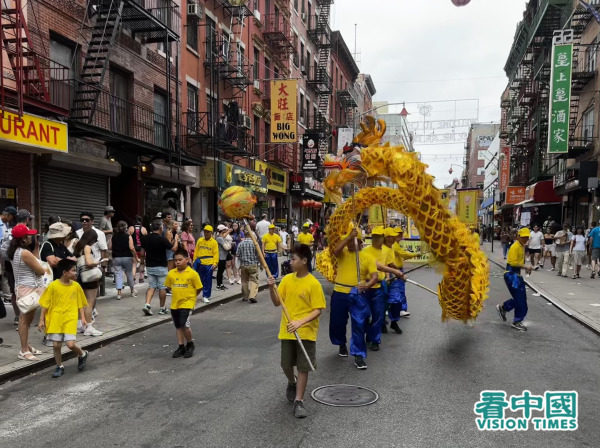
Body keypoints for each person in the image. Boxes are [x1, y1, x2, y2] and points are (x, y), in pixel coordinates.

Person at [267, 244, 326, 419]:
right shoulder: (286, 280)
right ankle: (291, 382)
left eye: (293, 259)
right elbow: (277, 302)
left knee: (302, 366)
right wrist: (272, 288)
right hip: (287, 330)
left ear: (304, 261)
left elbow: (318, 310)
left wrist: (300, 322)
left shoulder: (313, 284)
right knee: (286, 364)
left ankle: (299, 401)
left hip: (306, 331)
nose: (290, 262)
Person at [330, 226, 378, 369]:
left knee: (359, 324)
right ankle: (340, 343)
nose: (351, 244)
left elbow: (374, 276)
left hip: (357, 293)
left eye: (354, 241)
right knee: (337, 322)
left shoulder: (367, 257)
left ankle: (359, 355)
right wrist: (348, 237)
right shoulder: (342, 253)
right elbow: (335, 250)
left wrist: (367, 285)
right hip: (339, 291)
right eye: (350, 241)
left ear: (360, 243)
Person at [37, 259, 89, 378]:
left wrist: (83, 319)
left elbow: (81, 304)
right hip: (56, 318)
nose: (76, 273)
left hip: (70, 318)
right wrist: (41, 320)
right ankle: (59, 366)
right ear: (65, 272)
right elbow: (45, 304)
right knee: (56, 345)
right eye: (73, 271)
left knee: (71, 344)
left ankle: (82, 355)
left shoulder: (76, 286)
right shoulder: (53, 286)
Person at [9, 224, 47, 361]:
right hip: (28, 289)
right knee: (24, 320)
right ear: (24, 239)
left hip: (25, 287)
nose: (31, 236)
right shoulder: (24, 253)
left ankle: (27, 346)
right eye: (29, 235)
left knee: (27, 319)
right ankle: (24, 350)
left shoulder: (17, 251)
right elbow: (41, 270)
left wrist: (36, 246)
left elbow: (35, 261)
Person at [361, 226, 397, 351]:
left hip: (379, 286)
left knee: (379, 314)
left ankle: (375, 339)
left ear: (383, 238)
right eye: (374, 237)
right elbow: (380, 266)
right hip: (365, 286)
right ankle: (367, 334)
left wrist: (389, 276)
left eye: (378, 237)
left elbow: (387, 265)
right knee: (365, 313)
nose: (376, 239)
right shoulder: (365, 251)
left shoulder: (386, 251)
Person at [164, 248, 203, 358]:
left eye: (180, 260)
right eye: (176, 260)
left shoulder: (192, 274)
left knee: (185, 324)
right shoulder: (171, 273)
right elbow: (169, 286)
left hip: (187, 303)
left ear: (187, 259)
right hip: (175, 304)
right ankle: (181, 346)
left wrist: (191, 296)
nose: (177, 262)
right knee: (178, 326)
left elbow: (199, 288)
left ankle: (190, 344)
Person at [497, 227, 533, 331]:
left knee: (520, 298)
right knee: (521, 299)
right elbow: (512, 262)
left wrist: (525, 268)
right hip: (511, 275)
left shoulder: (521, 246)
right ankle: (516, 321)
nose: (526, 239)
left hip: (515, 275)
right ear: (518, 237)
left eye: (527, 237)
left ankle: (504, 308)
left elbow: (519, 262)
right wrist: (525, 267)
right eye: (524, 237)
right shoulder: (515, 247)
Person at [141, 220, 179, 315]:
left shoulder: (145, 238)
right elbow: (173, 248)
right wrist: (176, 240)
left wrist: (142, 262)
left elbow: (142, 252)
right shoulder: (161, 239)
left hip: (149, 265)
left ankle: (147, 304)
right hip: (161, 266)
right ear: (161, 228)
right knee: (162, 287)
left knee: (151, 286)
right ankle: (162, 308)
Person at [73, 230, 104, 337]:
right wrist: (99, 262)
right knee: (89, 303)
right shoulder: (87, 247)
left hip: (81, 277)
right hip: (90, 277)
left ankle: (81, 325)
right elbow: (89, 262)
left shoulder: (77, 247)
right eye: (95, 240)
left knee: (83, 303)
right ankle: (89, 327)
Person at [389, 227, 419, 320]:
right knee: (398, 289)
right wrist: (416, 254)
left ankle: (393, 309)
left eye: (401, 234)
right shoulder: (394, 245)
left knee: (395, 290)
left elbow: (400, 256)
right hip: (395, 270)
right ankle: (401, 309)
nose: (400, 236)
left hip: (397, 269)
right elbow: (404, 254)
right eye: (398, 235)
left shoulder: (395, 245)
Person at [112, 221, 139, 299]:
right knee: (129, 274)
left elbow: (110, 246)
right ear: (126, 228)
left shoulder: (114, 236)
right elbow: (132, 247)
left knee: (118, 275)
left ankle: (119, 294)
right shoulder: (128, 236)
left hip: (116, 257)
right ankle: (132, 291)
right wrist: (136, 257)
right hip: (127, 257)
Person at [1, 206, 18, 324]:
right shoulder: (1, 225)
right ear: (8, 215)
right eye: (12, 216)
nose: (12, 219)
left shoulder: (5, 225)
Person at [193, 225, 219, 303]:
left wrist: (215, 263)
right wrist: (194, 260)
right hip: (199, 262)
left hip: (209, 263)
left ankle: (206, 295)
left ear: (211, 233)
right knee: (197, 279)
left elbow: (216, 253)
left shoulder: (214, 242)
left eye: (208, 232)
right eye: (205, 231)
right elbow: (196, 251)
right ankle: (194, 294)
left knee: (207, 280)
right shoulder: (200, 240)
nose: (206, 233)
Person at [236, 235, 260, 303]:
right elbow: (258, 254)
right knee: (254, 281)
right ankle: (252, 296)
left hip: (243, 265)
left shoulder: (240, 244)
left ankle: (245, 296)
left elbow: (237, 254)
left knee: (244, 281)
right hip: (253, 265)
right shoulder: (254, 243)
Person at [128, 216, 147, 284]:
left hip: (133, 249)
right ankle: (141, 278)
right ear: (141, 221)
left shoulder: (130, 228)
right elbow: (146, 240)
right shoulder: (144, 229)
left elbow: (127, 239)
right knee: (142, 263)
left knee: (134, 264)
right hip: (141, 249)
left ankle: (133, 278)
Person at [215, 224, 233, 290]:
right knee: (220, 271)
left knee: (221, 271)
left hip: (222, 256)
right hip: (221, 256)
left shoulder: (220, 237)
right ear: (222, 230)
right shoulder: (220, 238)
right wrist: (230, 245)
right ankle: (218, 285)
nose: (226, 230)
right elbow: (226, 247)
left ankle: (220, 284)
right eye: (225, 229)